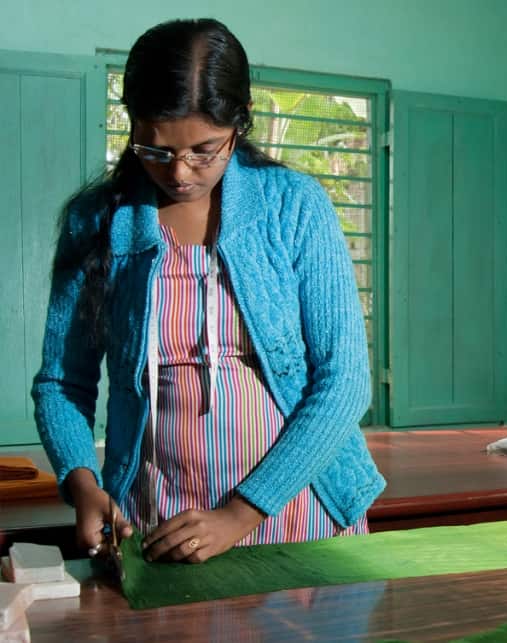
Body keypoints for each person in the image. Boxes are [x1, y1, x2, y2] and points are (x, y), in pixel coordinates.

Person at [31, 18, 384, 564]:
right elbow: (62, 382)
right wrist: (81, 482)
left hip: (299, 514)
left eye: (204, 149)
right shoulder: (96, 222)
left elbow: (344, 382)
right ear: (133, 124)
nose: (180, 172)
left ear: (239, 124)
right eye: (156, 149)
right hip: (156, 522)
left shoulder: (294, 205)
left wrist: (239, 514)